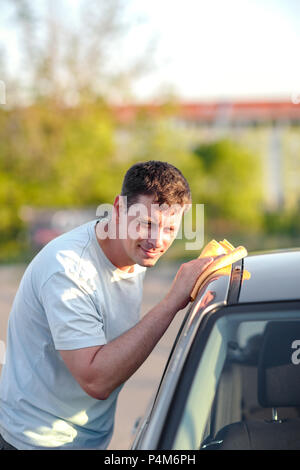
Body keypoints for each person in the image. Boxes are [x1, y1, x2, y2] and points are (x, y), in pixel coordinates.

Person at [0, 161, 213, 450]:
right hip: (36, 442)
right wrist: (172, 301)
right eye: (147, 223)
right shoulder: (68, 270)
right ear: (118, 209)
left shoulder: (131, 249)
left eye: (170, 228)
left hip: (90, 440)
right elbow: (95, 380)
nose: (157, 240)